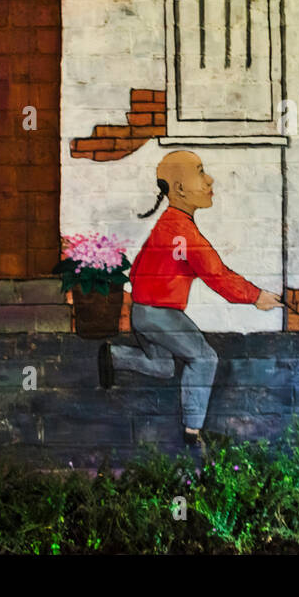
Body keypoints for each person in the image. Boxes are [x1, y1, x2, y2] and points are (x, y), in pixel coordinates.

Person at [102, 150, 282, 445]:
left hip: (142, 312)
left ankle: (114, 356)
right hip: (161, 315)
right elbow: (217, 275)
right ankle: (192, 431)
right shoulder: (183, 233)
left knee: (162, 366)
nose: (209, 179)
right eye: (200, 172)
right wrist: (256, 296)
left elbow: (135, 272)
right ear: (180, 188)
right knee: (204, 358)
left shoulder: (166, 224)